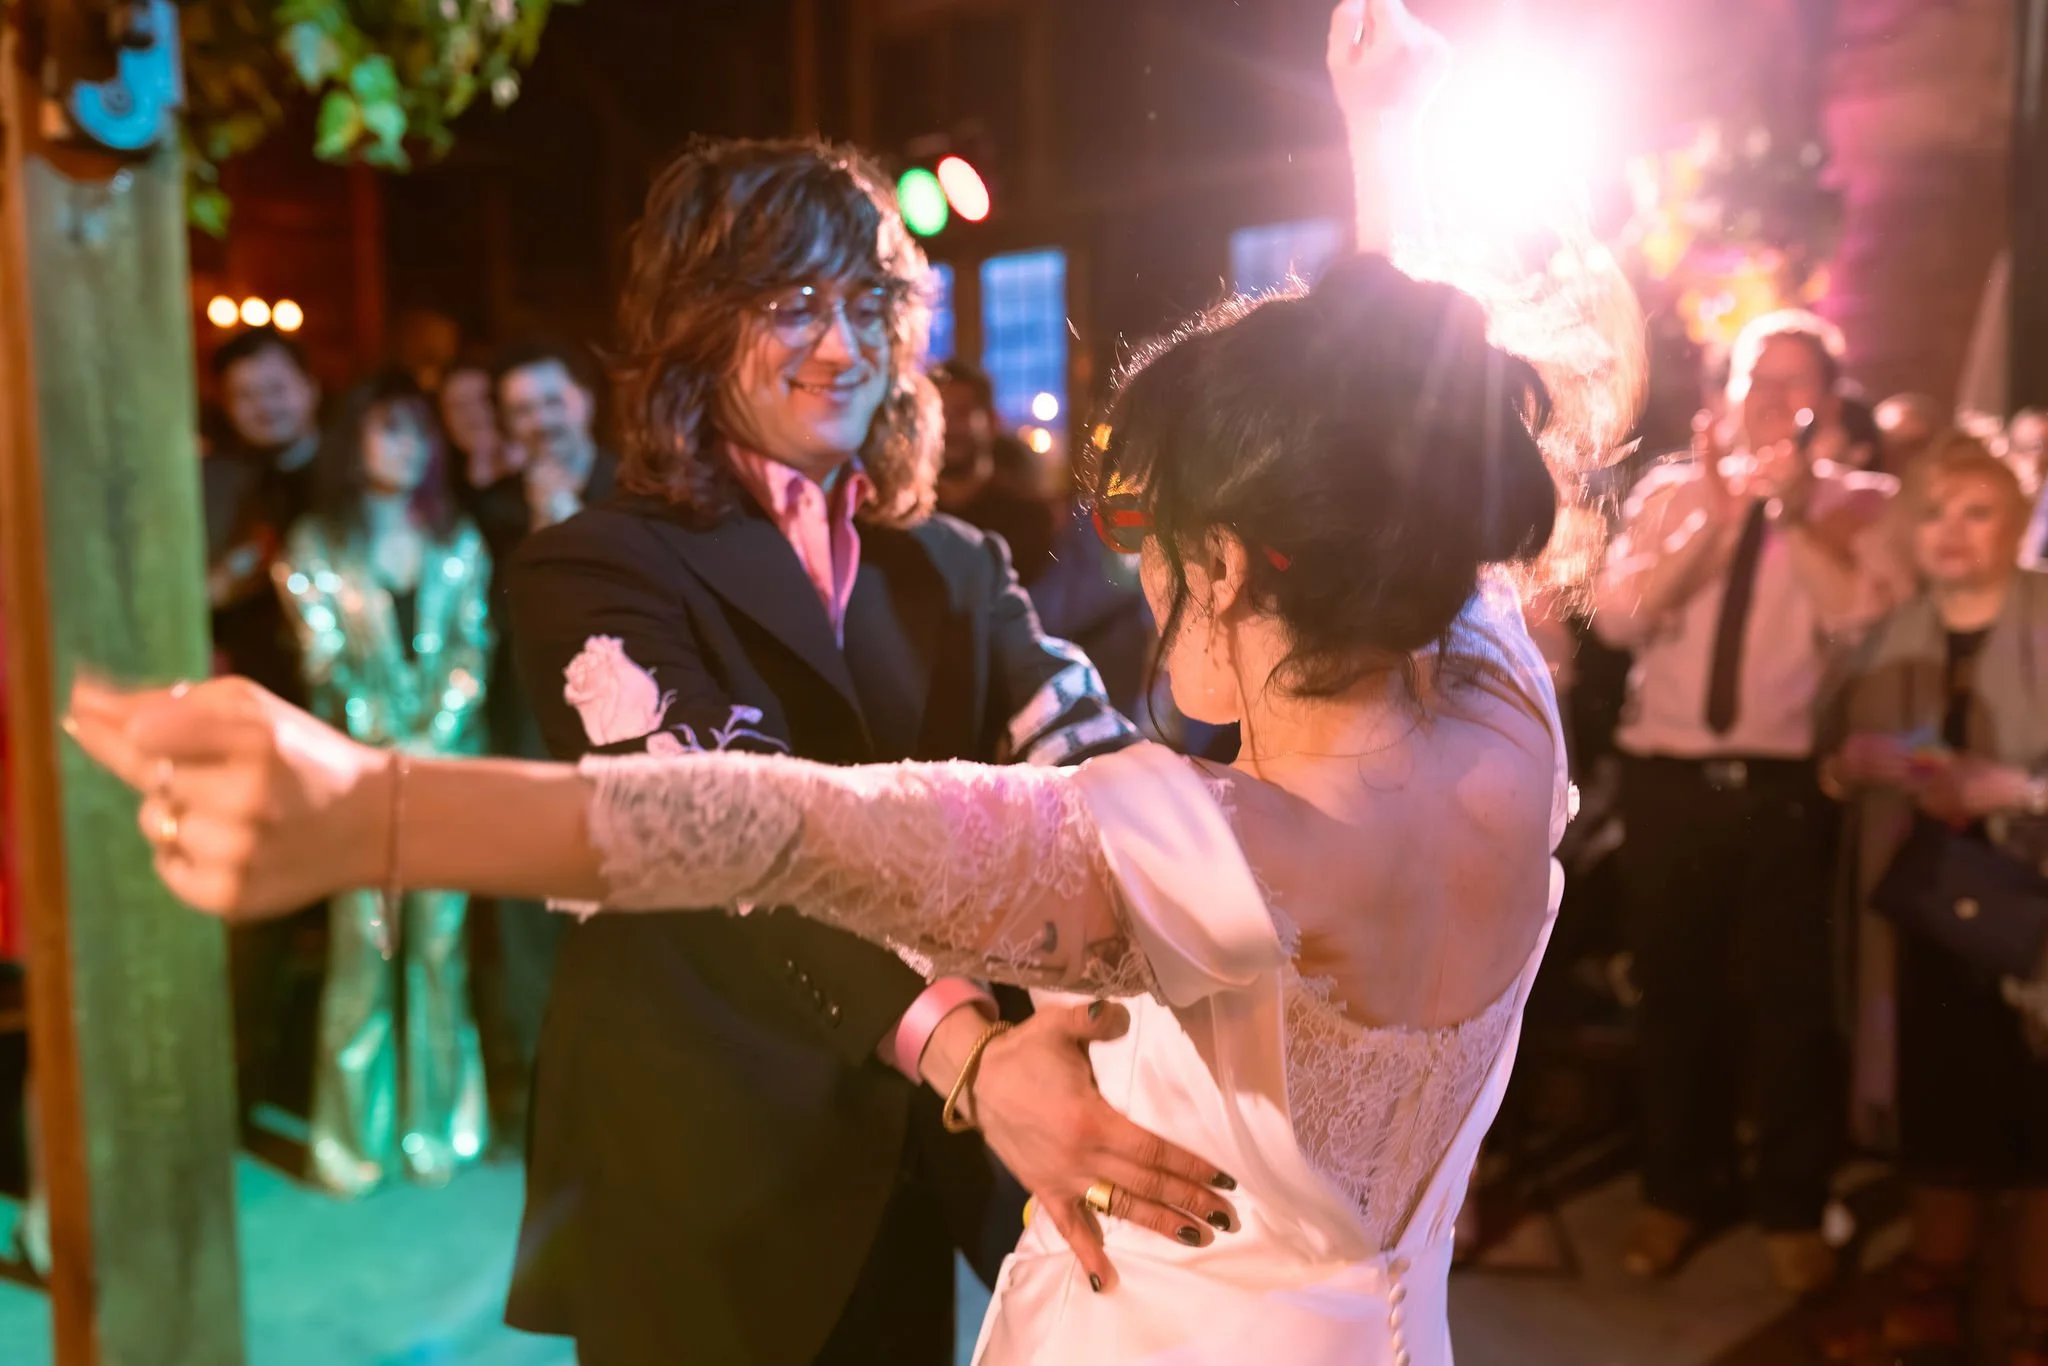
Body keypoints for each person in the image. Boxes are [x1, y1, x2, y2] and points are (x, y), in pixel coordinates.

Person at [68, 148, 1591, 1366]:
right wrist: (977, 1052)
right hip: (709, 1156)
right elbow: (735, 825)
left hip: (934, 1176)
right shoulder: (595, 563)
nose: (843, 342)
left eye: (872, 303)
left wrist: (378, 811)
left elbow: (1063, 757)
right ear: (693, 326)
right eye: (792, 303)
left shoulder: (952, 568)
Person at [1593, 308, 1897, 1292]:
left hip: (1783, 787)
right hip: (1666, 777)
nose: (1769, 401)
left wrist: (1794, 510)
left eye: (1792, 382)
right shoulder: (1667, 494)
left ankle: (1789, 1203)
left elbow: (1855, 616)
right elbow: (1620, 620)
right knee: (1673, 994)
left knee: (1789, 1004)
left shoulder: (1860, 502)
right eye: (1752, 381)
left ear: (1824, 400)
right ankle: (1672, 1193)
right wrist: (1717, 524)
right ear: (1723, 397)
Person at [1825, 437, 2048, 1365]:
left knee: (2037, 1119)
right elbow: (1836, 760)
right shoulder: (1886, 634)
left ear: (2019, 522)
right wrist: (1847, 769)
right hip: (1919, 918)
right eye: (1932, 513)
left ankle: (2035, 1315)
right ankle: (1934, 1293)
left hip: (2031, 921)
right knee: (1936, 1103)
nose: (1950, 533)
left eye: (1977, 511)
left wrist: (2022, 791)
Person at [273, 370, 495, 1197]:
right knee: (362, 951)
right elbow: (321, 664)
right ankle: (351, 1145)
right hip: (355, 777)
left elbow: (475, 651)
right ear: (353, 440)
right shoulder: (314, 545)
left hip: (444, 776)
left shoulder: (456, 540)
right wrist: (383, 743)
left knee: (441, 949)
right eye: (389, 430)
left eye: (418, 433)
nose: (407, 448)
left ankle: (443, 1131)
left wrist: (432, 739)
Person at [932, 359, 1153, 716]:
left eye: (960, 413)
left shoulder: (1039, 521)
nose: (947, 428)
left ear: (990, 422)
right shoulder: (912, 525)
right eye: (938, 415)